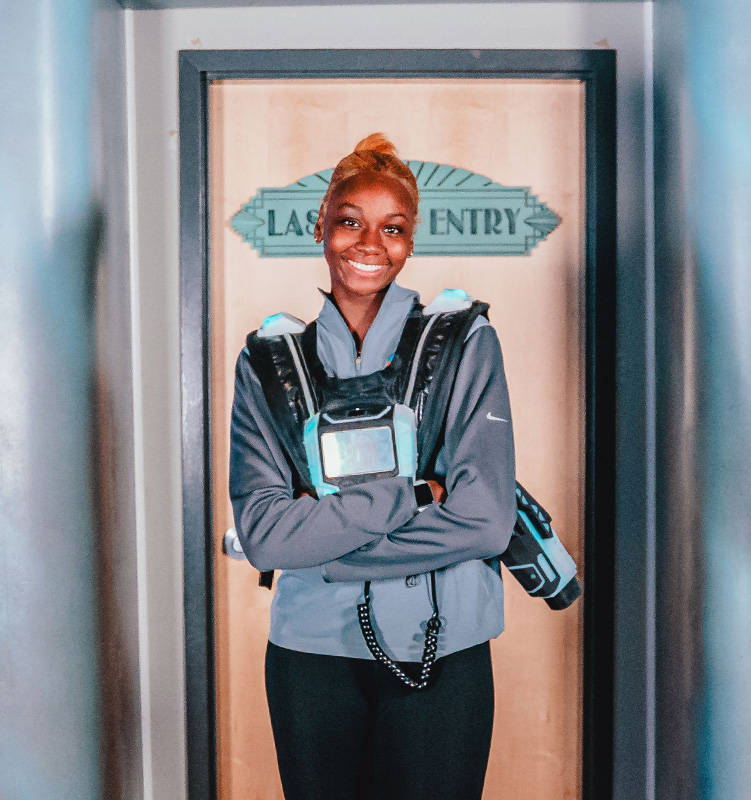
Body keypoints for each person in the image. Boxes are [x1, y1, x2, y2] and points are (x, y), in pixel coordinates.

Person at [229, 133, 516, 800]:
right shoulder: (267, 364)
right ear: (320, 225)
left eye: (392, 228)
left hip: (443, 651)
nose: (369, 244)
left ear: (410, 242)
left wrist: (325, 549)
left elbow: (484, 522)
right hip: (310, 659)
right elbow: (265, 535)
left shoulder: (466, 344)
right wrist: (413, 497)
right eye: (350, 221)